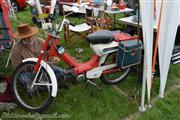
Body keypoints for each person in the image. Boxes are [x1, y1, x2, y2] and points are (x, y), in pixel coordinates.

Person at [11, 23, 68, 88]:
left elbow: (49, 51)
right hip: (29, 72)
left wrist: (52, 58)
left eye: (30, 36)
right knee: (25, 80)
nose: (29, 38)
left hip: (44, 68)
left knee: (61, 72)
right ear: (22, 38)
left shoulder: (39, 40)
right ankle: (53, 84)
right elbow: (18, 67)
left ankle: (43, 85)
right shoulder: (16, 49)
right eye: (26, 37)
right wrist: (32, 66)